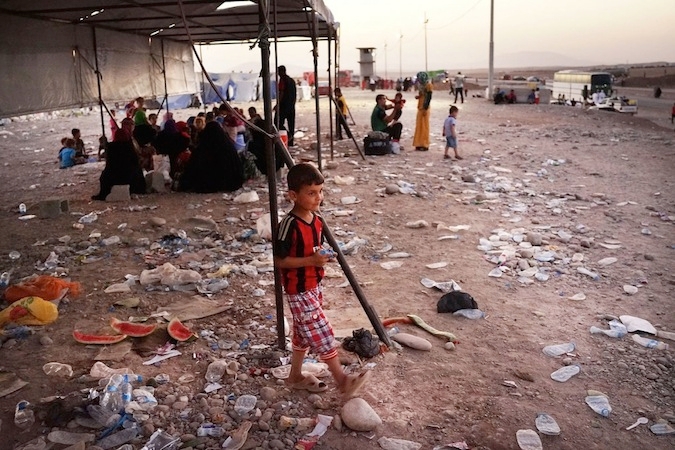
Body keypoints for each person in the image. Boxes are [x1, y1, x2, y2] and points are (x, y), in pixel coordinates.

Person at [275, 163, 371, 397]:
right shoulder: (289, 225)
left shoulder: (315, 220)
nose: (319, 197)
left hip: (313, 284)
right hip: (298, 289)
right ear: (293, 196)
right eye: (311, 193)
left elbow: (312, 250)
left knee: (302, 332)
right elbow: (279, 260)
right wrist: (311, 260)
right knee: (321, 331)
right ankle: (342, 380)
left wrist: (321, 257)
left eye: (321, 191)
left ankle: (295, 376)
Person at [178, 121, 244, 193]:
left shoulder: (204, 147)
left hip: (211, 182)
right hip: (231, 182)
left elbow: (194, 166)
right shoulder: (228, 146)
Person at [91, 128, 146, 201]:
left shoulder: (110, 147)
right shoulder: (130, 147)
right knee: (137, 171)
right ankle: (138, 189)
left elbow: (109, 164)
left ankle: (103, 194)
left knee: (105, 175)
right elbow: (136, 162)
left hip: (114, 177)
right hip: (129, 177)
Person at [275, 65, 297, 147]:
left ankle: (287, 136)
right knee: (291, 124)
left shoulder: (283, 80)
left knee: (277, 122)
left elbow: (281, 92)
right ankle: (291, 142)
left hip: (284, 106)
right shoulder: (291, 81)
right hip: (291, 106)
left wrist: (278, 104)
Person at [413, 71, 433, 151]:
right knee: (419, 126)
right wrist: (418, 97)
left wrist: (425, 107)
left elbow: (428, 98)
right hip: (420, 107)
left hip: (424, 108)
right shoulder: (422, 85)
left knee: (424, 126)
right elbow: (422, 94)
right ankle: (418, 143)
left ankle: (424, 144)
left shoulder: (428, 85)